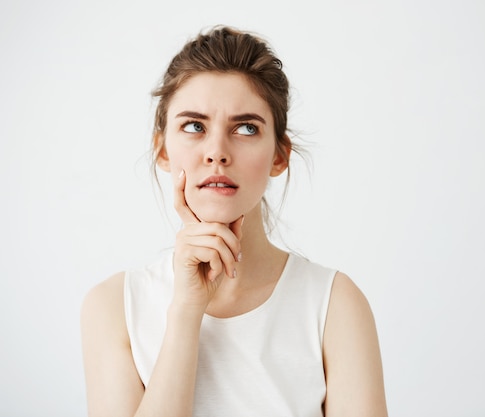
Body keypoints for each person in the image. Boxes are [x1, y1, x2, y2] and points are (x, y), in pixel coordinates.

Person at [80, 25, 388, 417]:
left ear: (279, 155)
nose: (217, 152)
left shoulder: (334, 304)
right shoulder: (113, 306)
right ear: (162, 150)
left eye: (246, 128)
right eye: (194, 126)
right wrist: (187, 312)